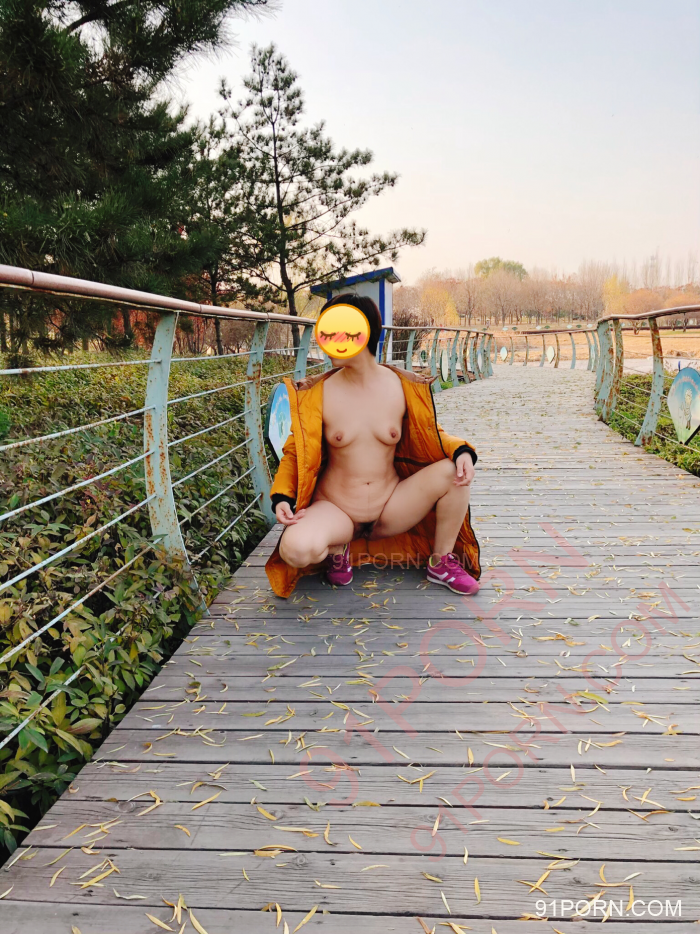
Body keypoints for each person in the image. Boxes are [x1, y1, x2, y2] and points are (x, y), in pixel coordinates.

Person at [265, 294, 481, 598]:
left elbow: (430, 433)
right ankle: (338, 549)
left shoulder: (402, 385)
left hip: (391, 506)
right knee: (295, 550)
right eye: (325, 332)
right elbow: (294, 452)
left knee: (454, 472)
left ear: (363, 333)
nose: (327, 342)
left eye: (337, 332)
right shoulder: (318, 393)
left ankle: (441, 561)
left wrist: (461, 450)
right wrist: (282, 497)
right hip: (337, 510)